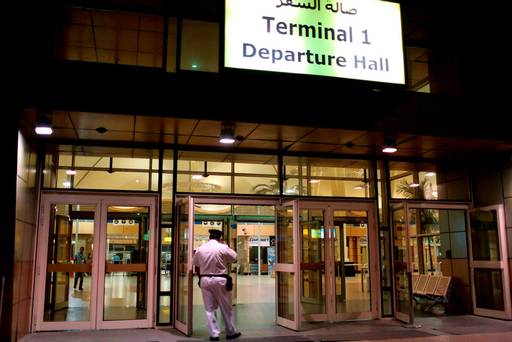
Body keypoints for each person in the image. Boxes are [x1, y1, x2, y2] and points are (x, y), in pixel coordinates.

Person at [192, 229, 241, 341]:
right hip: (220, 280)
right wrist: (225, 246)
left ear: (210, 237)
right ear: (220, 238)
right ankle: (230, 332)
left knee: (209, 308)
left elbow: (196, 265)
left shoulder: (201, 248)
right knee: (226, 307)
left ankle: (214, 334)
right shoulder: (222, 247)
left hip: (205, 279)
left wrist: (200, 278)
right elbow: (234, 258)